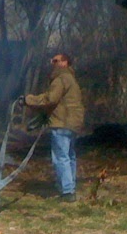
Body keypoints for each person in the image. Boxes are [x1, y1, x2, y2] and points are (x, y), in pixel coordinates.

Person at [21, 52, 85, 202]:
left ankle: (67, 191)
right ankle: (69, 187)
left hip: (61, 123)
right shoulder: (72, 79)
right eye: (52, 60)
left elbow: (50, 99)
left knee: (61, 157)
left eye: (55, 60)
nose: (52, 63)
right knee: (69, 156)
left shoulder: (61, 79)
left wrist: (28, 100)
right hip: (72, 124)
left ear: (65, 63)